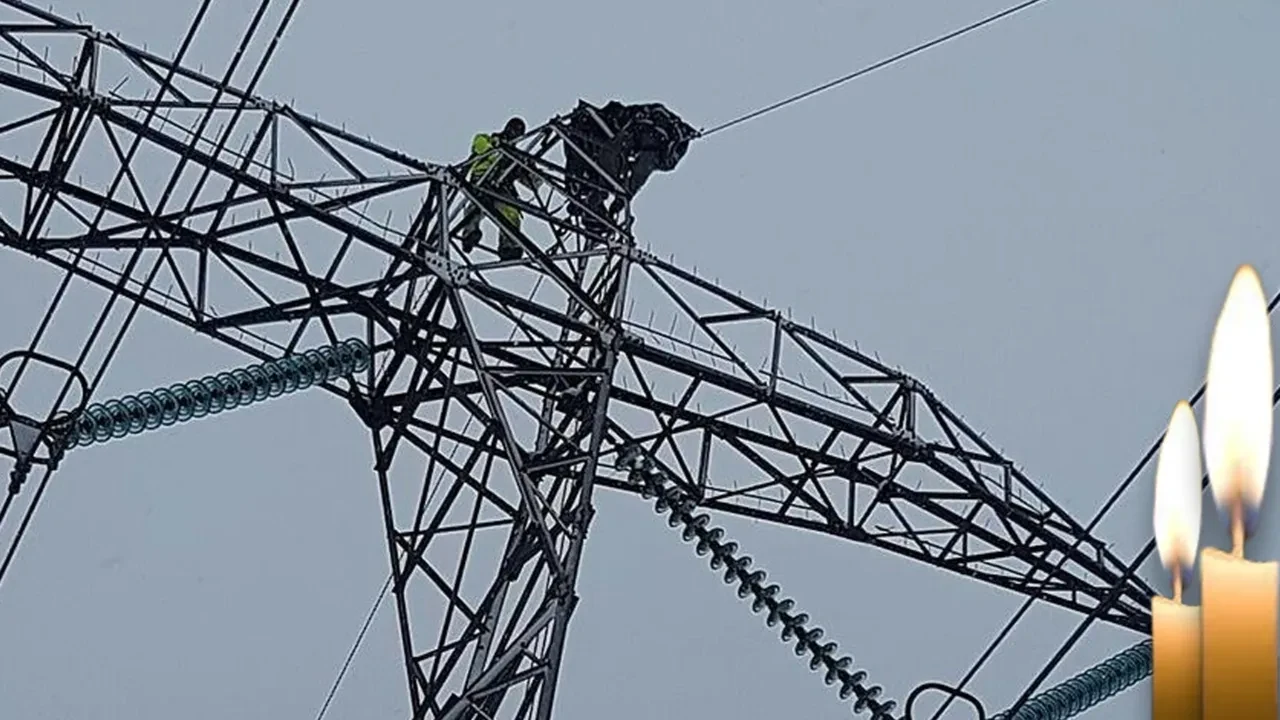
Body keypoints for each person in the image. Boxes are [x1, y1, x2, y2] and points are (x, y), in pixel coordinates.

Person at [457, 117, 541, 261]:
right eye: (513, 128)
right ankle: (470, 234)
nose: (514, 133)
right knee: (474, 208)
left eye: (518, 131)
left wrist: (531, 167)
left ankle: (509, 246)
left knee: (511, 213)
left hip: (503, 188)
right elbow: (480, 145)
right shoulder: (488, 139)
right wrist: (497, 151)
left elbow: (533, 182)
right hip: (483, 180)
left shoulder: (516, 157)